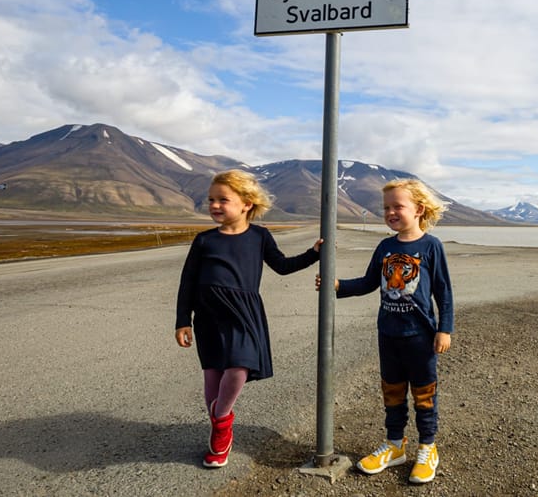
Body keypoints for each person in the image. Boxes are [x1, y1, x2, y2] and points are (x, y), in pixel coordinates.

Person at [175, 169, 322, 468]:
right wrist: (182, 320)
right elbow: (187, 281)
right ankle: (221, 433)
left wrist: (314, 254)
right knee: (212, 378)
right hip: (208, 317)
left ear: (246, 204)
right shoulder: (204, 241)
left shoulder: (259, 236)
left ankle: (221, 416)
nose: (215, 205)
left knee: (240, 365)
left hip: (243, 313)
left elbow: (281, 266)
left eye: (223, 200)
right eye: (211, 200)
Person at [317, 178, 454, 484]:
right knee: (392, 392)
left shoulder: (431, 246)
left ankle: (427, 447)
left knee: (424, 394)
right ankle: (395, 445)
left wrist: (444, 329)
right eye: (386, 207)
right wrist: (336, 286)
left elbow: (444, 292)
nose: (391, 212)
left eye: (398, 206)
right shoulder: (385, 246)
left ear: (418, 209)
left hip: (420, 335)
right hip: (388, 334)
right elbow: (368, 282)